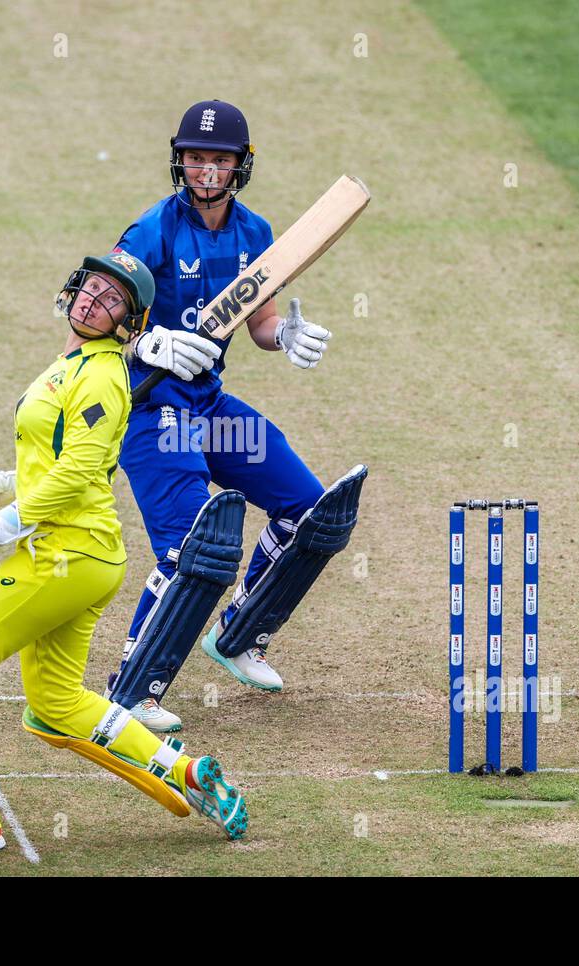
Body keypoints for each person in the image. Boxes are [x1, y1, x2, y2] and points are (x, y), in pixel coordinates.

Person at [0, 252, 248, 852]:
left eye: (113, 298)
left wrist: (10, 518)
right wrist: (2, 481)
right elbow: (62, 456)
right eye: (91, 286)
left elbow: (85, 466)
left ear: (128, 322)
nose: (93, 299)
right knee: (57, 703)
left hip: (67, 553)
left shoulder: (104, 375)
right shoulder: (76, 362)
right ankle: (186, 771)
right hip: (82, 553)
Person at [106, 100, 367, 734]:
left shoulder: (255, 233)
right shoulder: (152, 231)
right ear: (180, 160)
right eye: (195, 158)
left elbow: (260, 322)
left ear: (239, 165)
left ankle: (239, 632)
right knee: (187, 548)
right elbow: (94, 314)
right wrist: (144, 342)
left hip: (207, 405)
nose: (205, 170)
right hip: (150, 410)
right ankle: (131, 688)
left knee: (309, 509)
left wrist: (288, 337)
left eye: (218, 159)